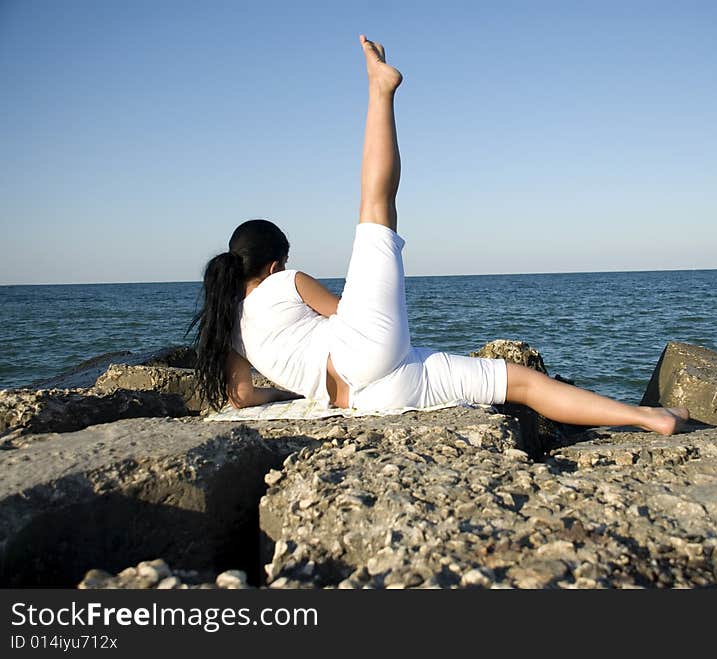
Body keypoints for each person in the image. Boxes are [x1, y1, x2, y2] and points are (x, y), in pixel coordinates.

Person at [187, 35, 689, 436]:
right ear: (273, 261)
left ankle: (653, 420)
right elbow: (344, 313)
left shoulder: (226, 327)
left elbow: (244, 398)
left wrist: (290, 395)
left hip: (369, 398)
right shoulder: (285, 282)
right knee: (375, 208)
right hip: (365, 349)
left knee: (517, 386)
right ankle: (380, 90)